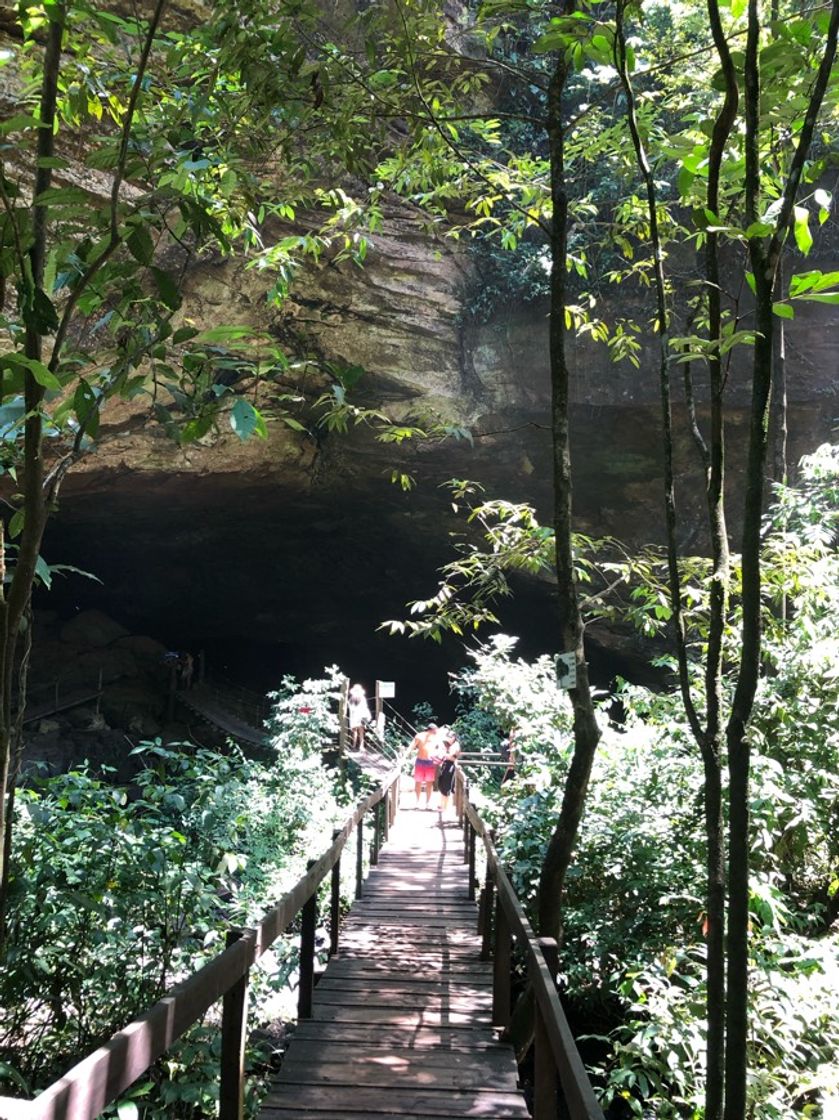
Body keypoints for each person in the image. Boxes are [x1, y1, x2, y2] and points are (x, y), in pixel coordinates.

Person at [410, 723, 440, 809]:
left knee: (429, 783)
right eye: (435, 730)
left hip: (430, 761)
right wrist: (404, 756)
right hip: (420, 761)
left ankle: (428, 803)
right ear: (431, 730)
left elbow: (440, 748)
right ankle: (417, 801)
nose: (436, 732)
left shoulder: (435, 738)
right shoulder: (419, 736)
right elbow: (412, 746)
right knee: (418, 782)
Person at [436, 726, 461, 815]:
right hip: (446, 764)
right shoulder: (450, 745)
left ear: (454, 738)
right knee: (442, 784)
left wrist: (443, 753)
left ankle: (445, 807)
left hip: (450, 765)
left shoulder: (456, 745)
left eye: (450, 737)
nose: (448, 739)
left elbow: (452, 757)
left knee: (446, 786)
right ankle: (441, 804)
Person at [347, 683, 371, 749]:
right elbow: (365, 707)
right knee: (361, 732)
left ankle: (354, 746)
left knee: (354, 731)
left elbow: (350, 708)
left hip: (354, 717)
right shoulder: (362, 698)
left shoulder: (351, 699)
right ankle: (361, 746)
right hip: (361, 716)